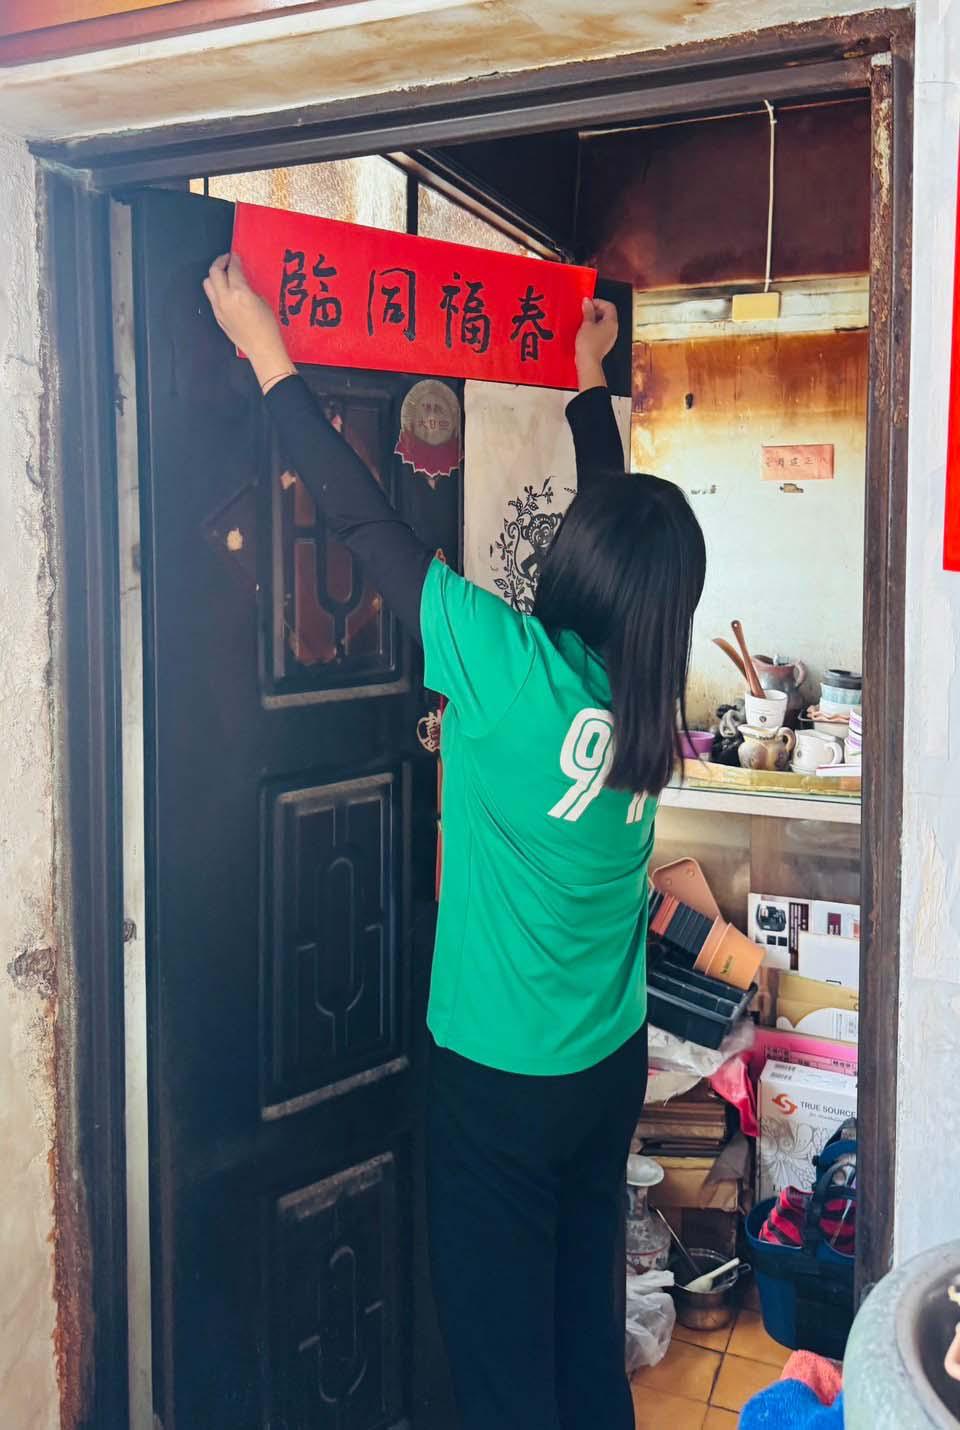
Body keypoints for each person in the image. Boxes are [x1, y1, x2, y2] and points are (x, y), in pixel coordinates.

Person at [203, 254, 706, 1430]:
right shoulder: (646, 701)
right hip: (606, 1068)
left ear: (582, 565)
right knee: (581, 1332)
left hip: (500, 1086)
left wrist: (269, 354)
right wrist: (588, 383)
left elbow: (364, 523)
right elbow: (620, 530)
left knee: (500, 1370)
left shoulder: (508, 666)